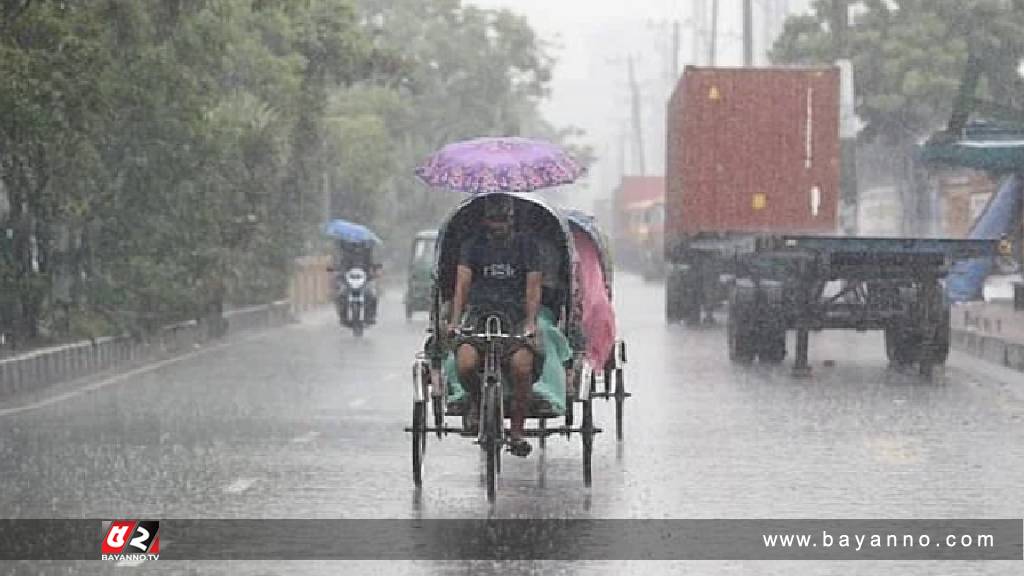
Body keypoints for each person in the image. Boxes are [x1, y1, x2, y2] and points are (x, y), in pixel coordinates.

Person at [447, 194, 543, 458]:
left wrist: (531, 323)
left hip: (514, 318)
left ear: (512, 220)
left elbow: (533, 287)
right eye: (493, 219)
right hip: (478, 316)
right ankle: (479, 404)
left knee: (522, 368)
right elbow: (463, 284)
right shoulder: (472, 246)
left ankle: (517, 431)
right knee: (465, 365)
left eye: (504, 219)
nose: (498, 225)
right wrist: (455, 320)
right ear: (485, 220)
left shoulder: (527, 246)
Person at [335, 239, 381, 324]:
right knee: (341, 295)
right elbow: (341, 265)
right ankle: (342, 316)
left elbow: (371, 264)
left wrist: (375, 270)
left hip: (365, 279)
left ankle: (371, 316)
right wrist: (338, 272)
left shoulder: (367, 253)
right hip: (348, 280)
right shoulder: (345, 253)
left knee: (372, 296)